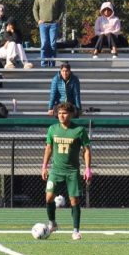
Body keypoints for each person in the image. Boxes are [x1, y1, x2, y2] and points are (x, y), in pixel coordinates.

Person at [40, 102, 92, 239]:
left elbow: (86, 150)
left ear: (71, 114)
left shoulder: (79, 130)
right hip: (56, 170)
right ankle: (52, 223)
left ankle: (75, 230)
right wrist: (44, 166)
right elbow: (49, 148)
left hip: (72, 171)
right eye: (60, 113)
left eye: (65, 113)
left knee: (74, 200)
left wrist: (87, 169)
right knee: (49, 197)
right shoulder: (52, 129)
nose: (62, 115)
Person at [32, 0, 64, 67]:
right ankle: (43, 64)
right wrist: (38, 20)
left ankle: (52, 64)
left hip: (54, 24)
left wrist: (59, 20)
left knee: (53, 44)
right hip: (43, 24)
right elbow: (35, 8)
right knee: (44, 43)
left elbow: (62, 8)